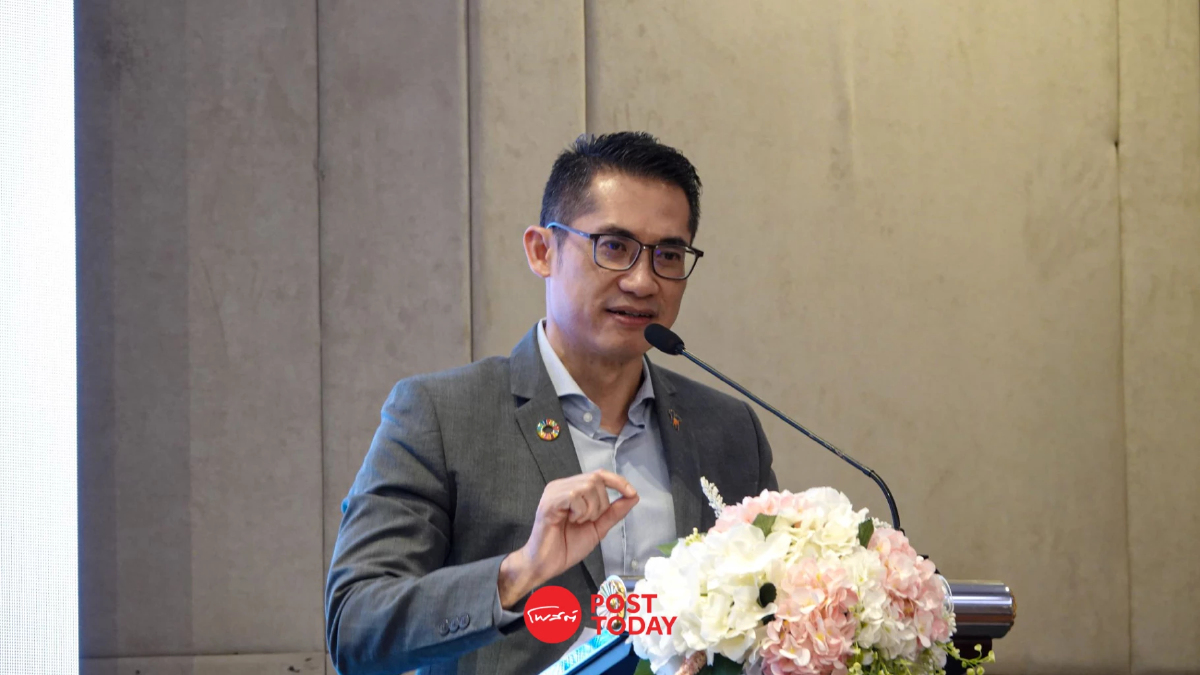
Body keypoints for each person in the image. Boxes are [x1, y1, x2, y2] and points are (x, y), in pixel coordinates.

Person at [325, 132, 778, 675]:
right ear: (543, 251)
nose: (642, 281)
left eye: (668, 255)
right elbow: (355, 628)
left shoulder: (728, 430)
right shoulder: (441, 415)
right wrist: (518, 573)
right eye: (614, 246)